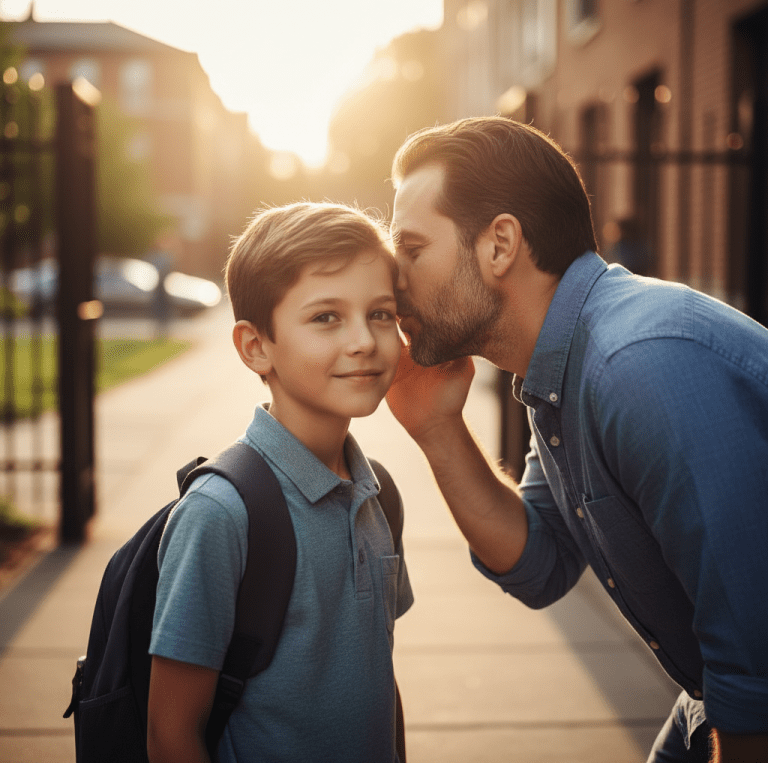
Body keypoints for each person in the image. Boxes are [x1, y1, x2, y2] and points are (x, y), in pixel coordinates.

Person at [386, 116, 768, 763]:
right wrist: (437, 427)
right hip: (710, 698)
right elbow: (539, 564)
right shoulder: (566, 366)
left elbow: (757, 671)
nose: (395, 281)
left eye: (413, 250)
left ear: (500, 244)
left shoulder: (639, 365)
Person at [146, 202, 413, 763]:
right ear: (255, 346)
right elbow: (171, 735)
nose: (364, 340)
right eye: (326, 317)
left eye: (382, 313)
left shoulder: (379, 494)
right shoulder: (221, 513)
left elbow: (378, 680)